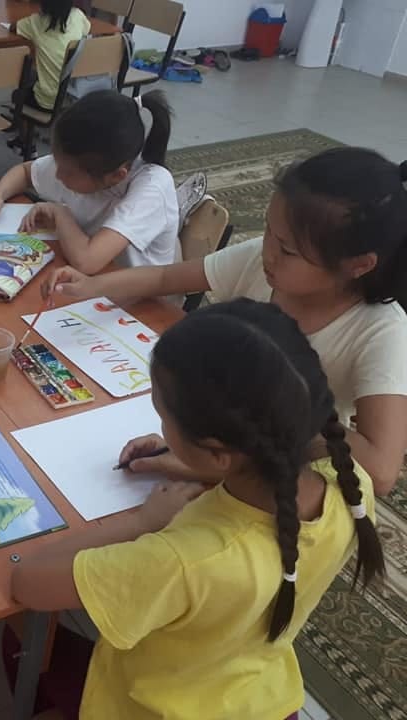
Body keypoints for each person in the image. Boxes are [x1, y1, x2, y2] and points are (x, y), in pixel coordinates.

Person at [11, 299, 385, 719]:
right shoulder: (351, 484)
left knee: (16, 641)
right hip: (263, 698)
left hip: (152, 709)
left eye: (162, 414)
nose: (161, 424)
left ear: (219, 452)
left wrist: (143, 521)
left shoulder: (183, 560)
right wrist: (193, 460)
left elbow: (28, 581)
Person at [42, 148, 407, 494]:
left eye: (287, 249)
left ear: (359, 265)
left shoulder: (382, 331)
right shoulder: (262, 263)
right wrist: (92, 286)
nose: (268, 251)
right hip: (217, 446)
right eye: (268, 230)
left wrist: (280, 411)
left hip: (279, 486)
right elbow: (165, 278)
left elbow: (381, 473)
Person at [0, 90, 179, 275]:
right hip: (91, 281)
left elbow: (87, 261)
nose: (57, 175)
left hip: (137, 298)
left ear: (117, 176)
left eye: (68, 172)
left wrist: (60, 214)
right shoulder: (84, 163)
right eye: (57, 163)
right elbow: (25, 172)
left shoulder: (152, 187)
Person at [12, 0, 91, 114]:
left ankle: (26, 125)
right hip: (74, 96)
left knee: (17, 94)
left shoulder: (37, 22)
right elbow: (87, 29)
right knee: (35, 72)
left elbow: (14, 27)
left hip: (46, 102)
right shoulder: (78, 16)